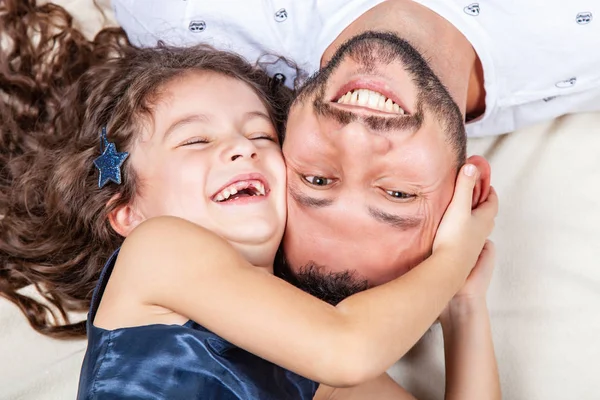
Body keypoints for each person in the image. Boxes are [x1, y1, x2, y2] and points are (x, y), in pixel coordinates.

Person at [0, 3, 500, 398]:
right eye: (195, 141)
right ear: (129, 212)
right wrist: (452, 258)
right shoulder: (159, 252)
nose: (242, 148)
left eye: (261, 136)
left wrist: (464, 310)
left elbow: (346, 349)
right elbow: (349, 349)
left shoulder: (313, 355)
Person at [113, 0, 600, 299]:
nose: (358, 135)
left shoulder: (189, 18)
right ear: (468, 189)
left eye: (317, 180)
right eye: (397, 195)